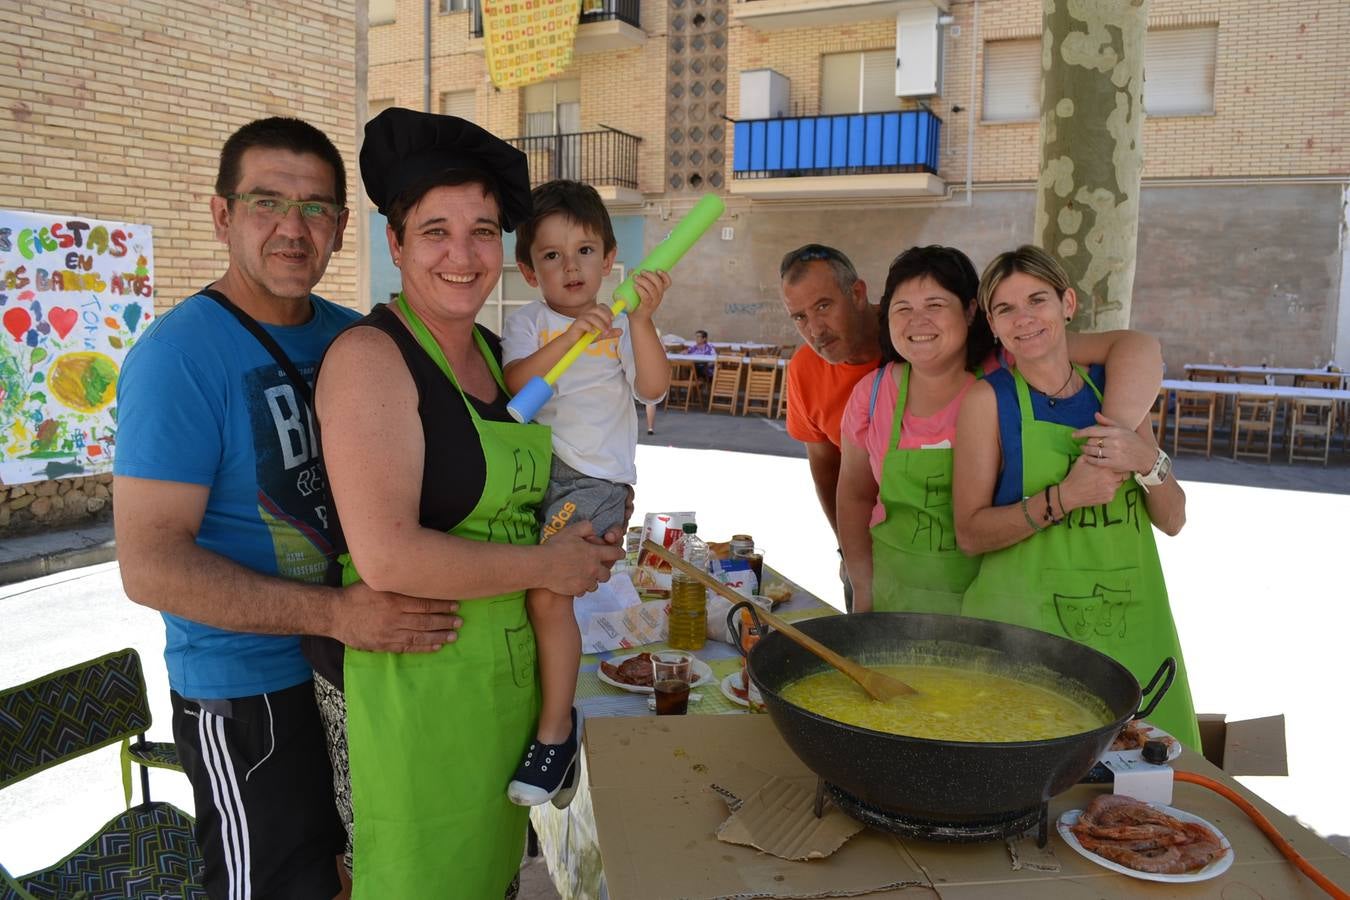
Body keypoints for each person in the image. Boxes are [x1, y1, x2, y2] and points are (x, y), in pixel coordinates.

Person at [115, 117, 463, 899]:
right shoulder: (179, 357)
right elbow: (150, 564)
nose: (292, 229)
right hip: (249, 695)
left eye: (315, 209)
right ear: (222, 215)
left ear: (342, 228)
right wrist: (335, 614)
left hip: (363, 671)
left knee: (364, 878)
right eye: (267, 202)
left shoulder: (360, 340)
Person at [305, 109, 624, 898]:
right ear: (396, 244)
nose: (463, 254)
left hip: (501, 690)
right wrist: (551, 563)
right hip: (412, 696)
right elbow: (388, 556)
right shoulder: (371, 358)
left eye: (483, 231)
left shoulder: (495, 354)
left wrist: (585, 538)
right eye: (436, 231)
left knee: (492, 882)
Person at [952, 244, 1200, 750]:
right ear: (994, 327)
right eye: (1006, 309)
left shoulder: (1115, 390)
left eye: (1037, 300)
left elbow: (1173, 519)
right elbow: (970, 534)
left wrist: (1143, 461)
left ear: (1067, 304)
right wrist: (1063, 497)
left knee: (1140, 802)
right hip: (1030, 639)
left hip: (1132, 626)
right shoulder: (987, 400)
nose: (1024, 319)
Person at [837, 246, 1164, 616]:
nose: (918, 321)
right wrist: (862, 588)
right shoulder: (873, 394)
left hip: (993, 603)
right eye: (903, 309)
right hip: (893, 599)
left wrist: (1112, 444)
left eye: (935, 305)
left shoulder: (1012, 363)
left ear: (972, 311)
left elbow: (1138, 348)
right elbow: (854, 496)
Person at [500, 179, 671, 806]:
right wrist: (573, 337)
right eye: (551, 255)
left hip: (596, 479)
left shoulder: (624, 321)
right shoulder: (527, 324)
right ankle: (551, 720)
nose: (571, 267)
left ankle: (555, 732)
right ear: (528, 269)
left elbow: (652, 389)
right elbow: (517, 390)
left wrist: (642, 322)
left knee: (549, 595)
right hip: (537, 473)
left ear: (609, 257)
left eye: (585, 251)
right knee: (530, 598)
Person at [779, 244, 880, 610]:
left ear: (857, 293)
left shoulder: (911, 340)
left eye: (823, 306)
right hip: (863, 548)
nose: (815, 330)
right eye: (800, 317)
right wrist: (847, 547)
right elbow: (825, 465)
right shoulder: (805, 368)